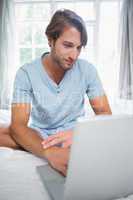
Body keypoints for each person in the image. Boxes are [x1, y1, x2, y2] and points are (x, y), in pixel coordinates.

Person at [0, 9, 112, 176]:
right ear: (50, 40)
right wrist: (49, 152)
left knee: (108, 136)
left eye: (79, 48)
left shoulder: (87, 70)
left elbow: (105, 115)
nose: (74, 55)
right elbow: (18, 125)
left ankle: (38, 145)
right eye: (67, 46)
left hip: (74, 134)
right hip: (41, 132)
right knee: (12, 130)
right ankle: (44, 147)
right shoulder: (26, 73)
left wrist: (79, 135)